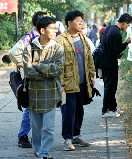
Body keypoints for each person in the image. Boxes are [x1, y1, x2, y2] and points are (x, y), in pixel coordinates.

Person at [23, 16, 64, 159]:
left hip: (52, 94)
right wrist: (47, 74)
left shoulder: (58, 48)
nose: (56, 31)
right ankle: (38, 149)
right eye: (52, 28)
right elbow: (28, 71)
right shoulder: (29, 48)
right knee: (36, 128)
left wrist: (38, 65)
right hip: (34, 95)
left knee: (49, 128)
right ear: (42, 30)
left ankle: (44, 153)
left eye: (56, 28)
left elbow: (58, 70)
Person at [56, 10, 95, 151]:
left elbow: (89, 59)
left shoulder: (83, 38)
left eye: (82, 21)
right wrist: (60, 83)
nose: (81, 23)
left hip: (82, 82)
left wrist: (91, 77)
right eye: (78, 21)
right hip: (67, 84)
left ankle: (76, 135)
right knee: (68, 111)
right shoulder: (60, 40)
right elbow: (56, 64)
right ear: (69, 23)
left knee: (79, 110)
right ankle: (67, 139)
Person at [8, 11, 47, 148]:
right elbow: (13, 53)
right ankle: (23, 136)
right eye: (44, 20)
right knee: (31, 108)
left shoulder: (44, 37)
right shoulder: (29, 37)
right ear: (37, 23)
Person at [101, 13, 132, 118]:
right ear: (123, 23)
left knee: (110, 86)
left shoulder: (109, 28)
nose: (127, 27)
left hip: (104, 61)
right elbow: (116, 51)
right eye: (127, 25)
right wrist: (126, 43)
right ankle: (105, 110)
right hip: (110, 63)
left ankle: (113, 108)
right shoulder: (116, 34)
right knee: (110, 87)